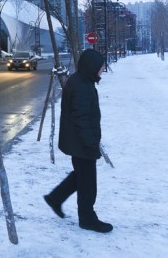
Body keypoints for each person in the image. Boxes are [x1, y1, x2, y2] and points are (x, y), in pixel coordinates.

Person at [44, 49, 113, 233]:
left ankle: (55, 198)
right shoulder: (82, 85)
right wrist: (90, 141)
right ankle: (87, 218)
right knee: (88, 183)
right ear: (92, 67)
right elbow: (80, 117)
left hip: (78, 140)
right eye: (100, 66)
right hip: (81, 142)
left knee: (81, 175)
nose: (103, 69)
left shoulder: (82, 81)